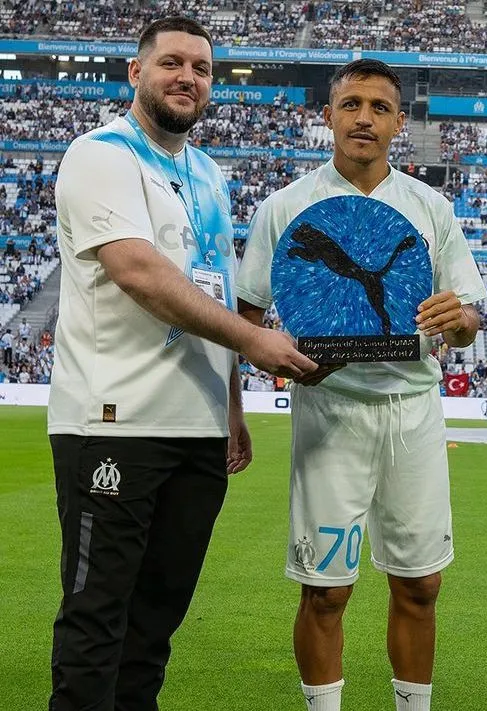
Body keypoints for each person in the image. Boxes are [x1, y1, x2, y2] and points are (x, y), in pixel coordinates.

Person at [47, 16, 317, 711]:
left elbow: (213, 288)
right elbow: (138, 272)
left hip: (197, 428)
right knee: (98, 613)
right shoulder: (101, 154)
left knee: (155, 621)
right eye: (171, 63)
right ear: (135, 73)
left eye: (201, 68)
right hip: (115, 421)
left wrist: (231, 403)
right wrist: (254, 342)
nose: (187, 78)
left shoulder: (208, 173)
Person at [236, 59, 486, 711]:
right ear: (328, 116)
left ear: (400, 122)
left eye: (379, 107)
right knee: (325, 590)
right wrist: (277, 358)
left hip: (413, 412)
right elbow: (247, 318)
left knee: (421, 585)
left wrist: (456, 319)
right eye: (351, 105)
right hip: (330, 413)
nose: (364, 118)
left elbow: (468, 319)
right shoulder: (283, 207)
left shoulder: (430, 208)